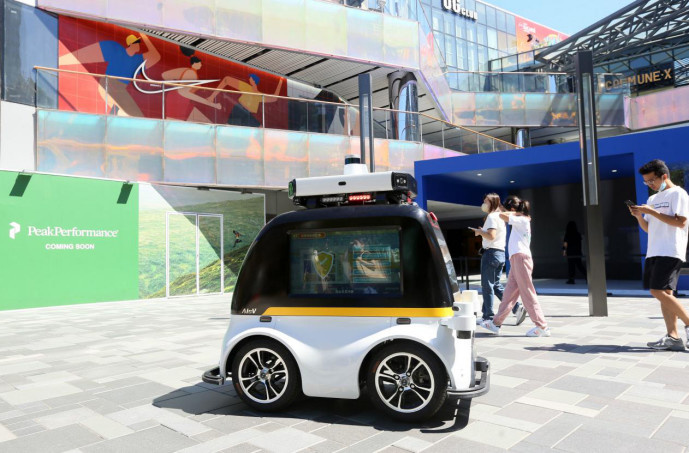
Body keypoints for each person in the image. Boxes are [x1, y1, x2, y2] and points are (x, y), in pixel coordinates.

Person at [629, 159, 689, 351]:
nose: (650, 185)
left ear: (664, 176)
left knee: (657, 291)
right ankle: (673, 337)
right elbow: (648, 229)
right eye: (646, 182)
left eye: (651, 180)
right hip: (654, 251)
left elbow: (680, 222)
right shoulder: (652, 200)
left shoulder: (678, 194)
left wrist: (651, 212)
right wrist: (640, 216)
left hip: (670, 250)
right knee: (665, 294)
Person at [481, 196, 550, 337]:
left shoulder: (521, 219)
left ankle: (542, 326)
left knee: (527, 293)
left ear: (512, 209)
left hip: (520, 258)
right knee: (509, 294)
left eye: (508, 209)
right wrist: (516, 212)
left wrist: (514, 213)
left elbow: (501, 215)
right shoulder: (521, 219)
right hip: (516, 259)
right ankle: (496, 323)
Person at [59, 34, 161, 117]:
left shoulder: (137, 60)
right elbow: (86, 54)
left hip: (120, 89)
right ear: (131, 44)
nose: (139, 45)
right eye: (137, 42)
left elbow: (156, 56)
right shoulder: (116, 50)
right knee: (135, 116)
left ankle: (110, 122)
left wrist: (145, 37)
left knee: (128, 114)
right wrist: (60, 61)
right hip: (108, 85)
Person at [472, 193, 526, 326]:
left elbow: (491, 236)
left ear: (492, 203)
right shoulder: (501, 216)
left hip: (490, 254)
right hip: (500, 253)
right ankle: (516, 307)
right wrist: (482, 231)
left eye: (486, 201)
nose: (483, 203)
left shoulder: (491, 216)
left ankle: (488, 317)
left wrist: (479, 232)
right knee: (495, 285)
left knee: (487, 286)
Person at [161, 50, 223, 123]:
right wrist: (212, 104)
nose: (201, 65)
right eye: (200, 63)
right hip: (179, 100)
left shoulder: (189, 71)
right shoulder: (191, 73)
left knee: (174, 124)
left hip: (179, 98)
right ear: (194, 64)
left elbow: (164, 75)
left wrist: (176, 85)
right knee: (174, 124)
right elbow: (184, 93)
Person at [209, 73, 284, 127]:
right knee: (229, 127)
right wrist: (212, 96)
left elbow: (274, 98)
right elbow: (226, 79)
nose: (249, 79)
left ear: (254, 81)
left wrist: (280, 82)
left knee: (260, 128)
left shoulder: (254, 92)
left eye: (250, 78)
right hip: (239, 109)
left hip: (247, 114)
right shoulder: (250, 89)